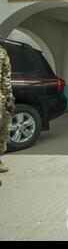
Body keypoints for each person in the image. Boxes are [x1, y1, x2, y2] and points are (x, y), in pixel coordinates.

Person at [0, 45, 15, 173]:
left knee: (3, 127)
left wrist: (9, 97)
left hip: (1, 97)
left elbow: (6, 76)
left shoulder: (2, 52)